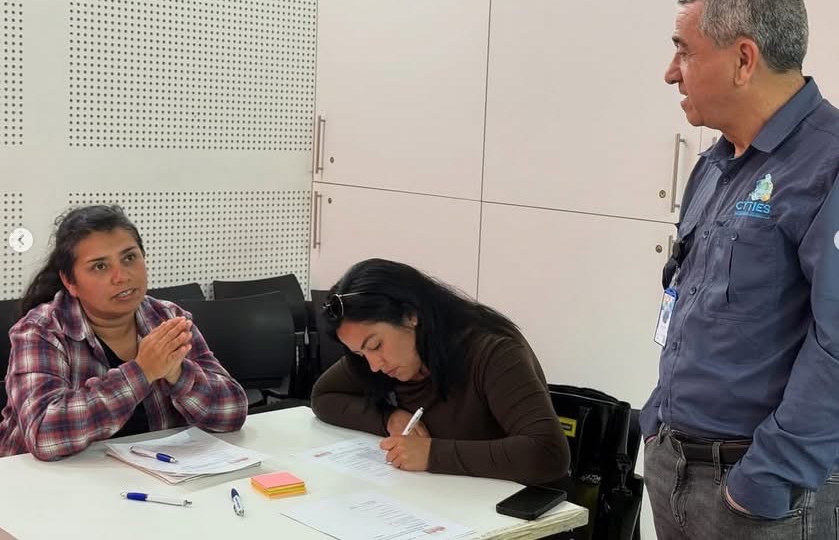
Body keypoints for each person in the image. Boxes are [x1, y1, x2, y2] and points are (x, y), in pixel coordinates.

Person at [641, 0, 839, 539]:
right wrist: (657, 424)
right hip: (676, 471)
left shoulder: (828, 167)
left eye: (685, 51)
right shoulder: (715, 163)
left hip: (761, 497)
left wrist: (766, 479)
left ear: (744, 60)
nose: (671, 73)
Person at [0, 205, 248, 460]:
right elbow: (44, 434)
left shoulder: (168, 319)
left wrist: (178, 373)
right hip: (48, 486)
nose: (121, 277)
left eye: (129, 258)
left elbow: (234, 411)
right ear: (70, 282)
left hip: (153, 476)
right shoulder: (41, 330)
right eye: (99, 267)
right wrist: (142, 372)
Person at [310, 258, 570, 486]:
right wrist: (389, 418)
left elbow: (547, 453)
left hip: (503, 512)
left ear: (411, 315)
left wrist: (432, 454)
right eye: (360, 354)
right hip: (436, 502)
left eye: (376, 345)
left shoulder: (492, 351)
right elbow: (323, 397)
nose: (374, 365)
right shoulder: (382, 360)